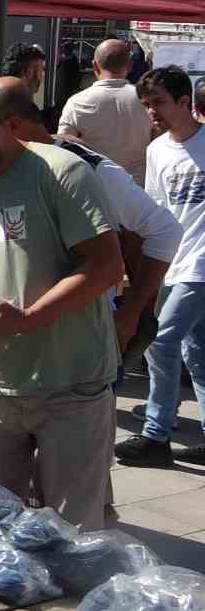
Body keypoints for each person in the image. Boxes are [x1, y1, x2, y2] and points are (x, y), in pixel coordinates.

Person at [0, 85, 123, 530]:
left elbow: (106, 266)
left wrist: (28, 320)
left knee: (73, 533)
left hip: (70, 386)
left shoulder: (60, 172)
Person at [0, 76, 177, 380]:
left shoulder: (89, 169)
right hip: (14, 353)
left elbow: (165, 230)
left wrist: (131, 311)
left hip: (82, 349)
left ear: (13, 125)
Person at [118, 66, 205, 467]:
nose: (152, 111)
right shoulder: (156, 151)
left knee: (161, 341)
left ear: (185, 102)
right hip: (174, 261)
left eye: (159, 103)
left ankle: (156, 433)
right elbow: (157, 213)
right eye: (147, 104)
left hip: (200, 266)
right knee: (196, 351)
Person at [59, 38, 151, 184]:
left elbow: (64, 147)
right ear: (130, 65)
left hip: (95, 188)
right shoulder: (147, 102)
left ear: (95, 66)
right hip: (139, 188)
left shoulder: (76, 102)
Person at [53, 42, 83, 122]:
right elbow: (78, 74)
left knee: (61, 105)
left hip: (63, 88)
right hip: (68, 88)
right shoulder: (72, 59)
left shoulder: (66, 59)